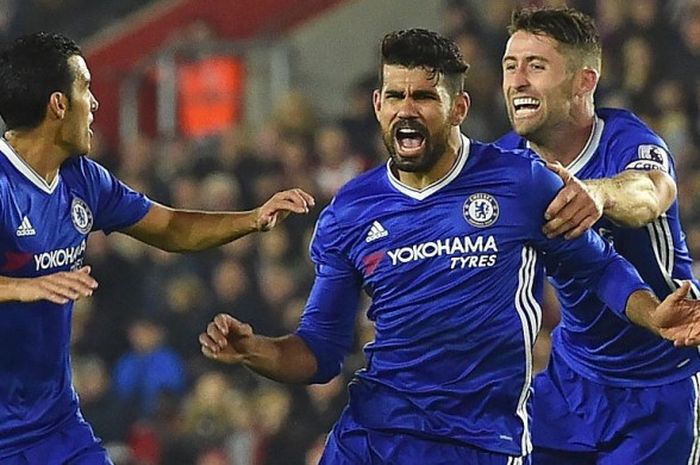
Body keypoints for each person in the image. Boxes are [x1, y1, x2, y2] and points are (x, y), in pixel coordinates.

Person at [199, 28, 700, 465]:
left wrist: (654, 314)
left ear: (457, 107)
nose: (406, 111)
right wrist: (254, 349)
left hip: (478, 443)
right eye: (395, 96)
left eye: (423, 97)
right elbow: (320, 351)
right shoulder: (350, 210)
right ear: (377, 105)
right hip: (371, 436)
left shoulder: (521, 182)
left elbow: (598, 268)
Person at [0, 32, 314, 465]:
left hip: (56, 426)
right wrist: (20, 288)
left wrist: (250, 219)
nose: (94, 104)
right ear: (58, 104)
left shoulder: (83, 179)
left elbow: (169, 227)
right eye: (85, 88)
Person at [496, 7, 700, 465]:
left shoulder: (626, 139)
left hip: (660, 381)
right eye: (511, 65)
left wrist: (597, 195)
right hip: (572, 379)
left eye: (537, 66)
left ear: (584, 82)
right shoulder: (507, 164)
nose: (517, 81)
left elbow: (648, 192)